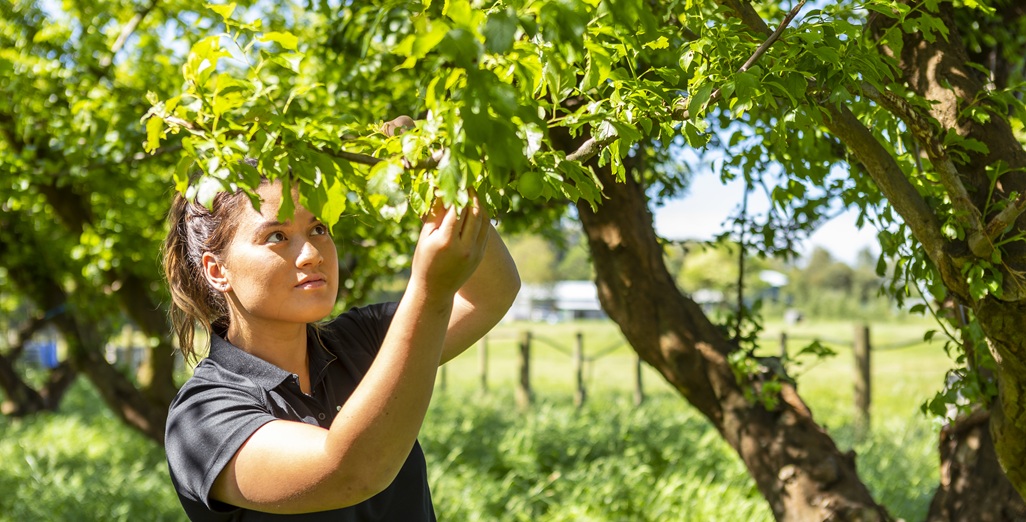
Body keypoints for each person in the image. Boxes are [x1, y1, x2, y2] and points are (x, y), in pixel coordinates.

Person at [162, 172, 520, 520]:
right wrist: (430, 290)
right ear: (216, 270)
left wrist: (434, 177)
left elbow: (489, 295)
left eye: (318, 229)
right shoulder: (202, 418)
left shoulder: (362, 340)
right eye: (276, 236)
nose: (312, 254)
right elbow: (352, 474)